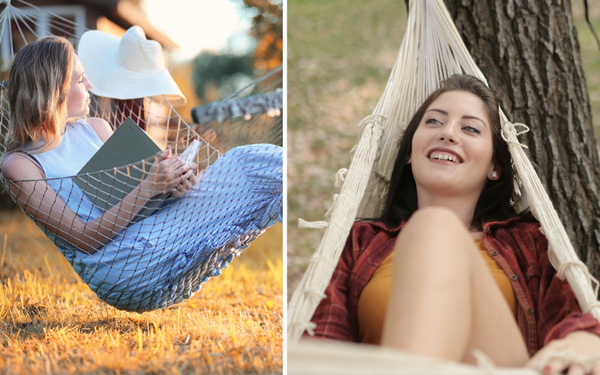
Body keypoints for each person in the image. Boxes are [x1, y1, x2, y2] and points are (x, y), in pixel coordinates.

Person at [308, 74, 600, 373]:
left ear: (495, 167)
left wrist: (587, 339)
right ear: (409, 152)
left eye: (470, 128)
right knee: (433, 227)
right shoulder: (358, 243)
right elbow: (321, 342)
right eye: (434, 122)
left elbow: (571, 321)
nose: (447, 133)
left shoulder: (529, 242)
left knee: (435, 226)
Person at [0, 36, 282, 311]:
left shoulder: (95, 128)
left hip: (160, 237)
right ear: (53, 91)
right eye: (79, 79)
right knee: (248, 163)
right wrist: (148, 186)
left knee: (251, 165)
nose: (90, 85)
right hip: (123, 267)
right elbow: (84, 239)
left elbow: (137, 197)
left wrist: (173, 185)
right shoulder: (21, 164)